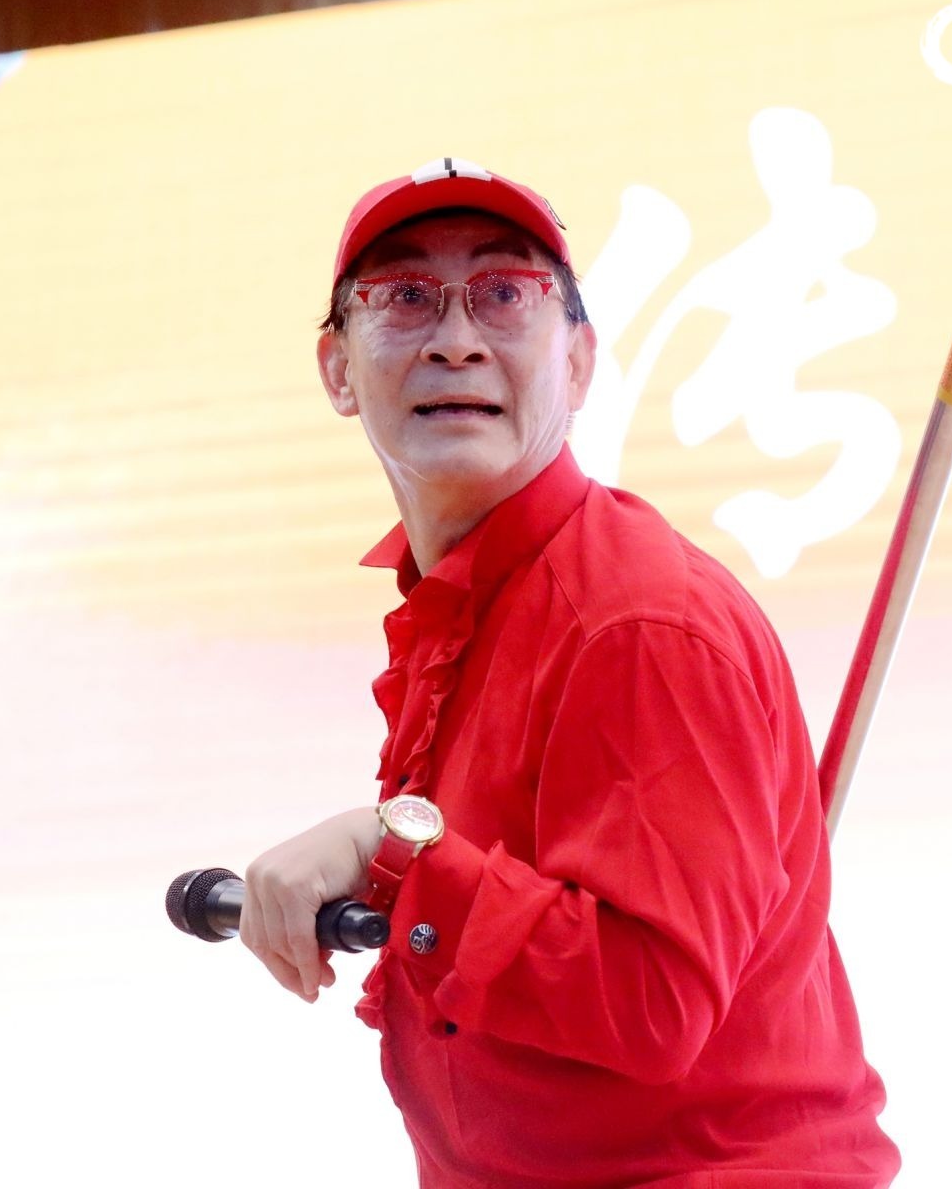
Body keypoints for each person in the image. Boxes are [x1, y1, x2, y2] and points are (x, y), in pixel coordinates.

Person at [238, 159, 900, 1187]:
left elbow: (650, 1004)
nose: (456, 339)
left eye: (505, 294)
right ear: (337, 369)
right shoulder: (471, 599)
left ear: (581, 363)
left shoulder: (637, 622)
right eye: (404, 297)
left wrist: (390, 848)